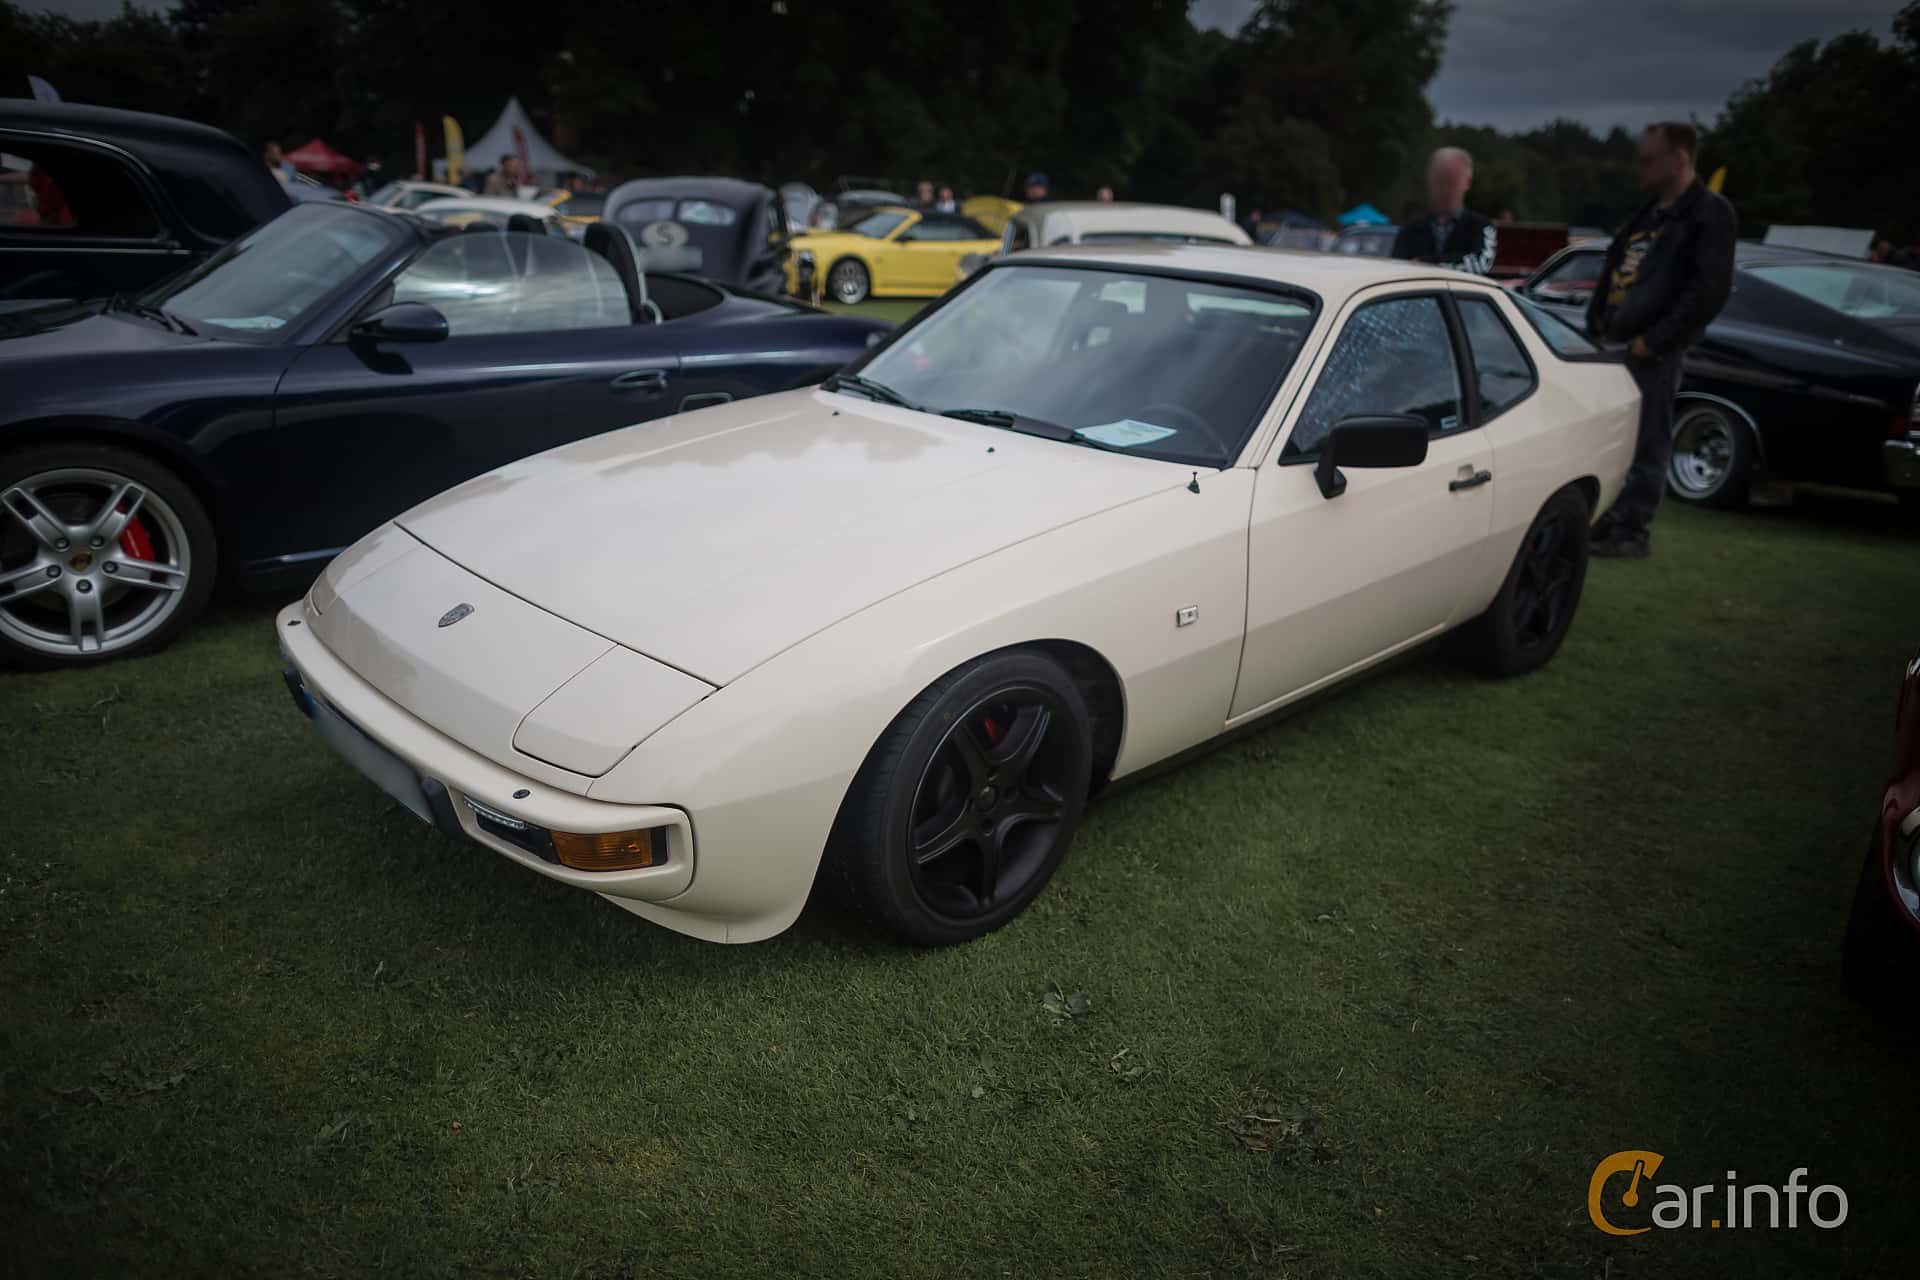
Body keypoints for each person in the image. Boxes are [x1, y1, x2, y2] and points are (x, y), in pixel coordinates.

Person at [1585, 121, 1737, 560]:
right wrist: (1597, 321)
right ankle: (1608, 520)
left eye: (1649, 158)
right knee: (1614, 435)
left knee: (1648, 438)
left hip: (1651, 350)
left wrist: (1656, 340)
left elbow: (1709, 290)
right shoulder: (1648, 213)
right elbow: (1616, 271)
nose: (1640, 167)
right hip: (1615, 342)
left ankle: (1632, 530)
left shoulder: (1709, 213)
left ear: (1680, 158)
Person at [1390, 146, 1496, 274]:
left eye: (1451, 182)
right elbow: (1396, 268)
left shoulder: (1481, 226)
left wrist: (1425, 263)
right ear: (1428, 180)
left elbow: (1481, 264)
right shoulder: (1410, 229)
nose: (1445, 190)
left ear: (1467, 183)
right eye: (1439, 181)